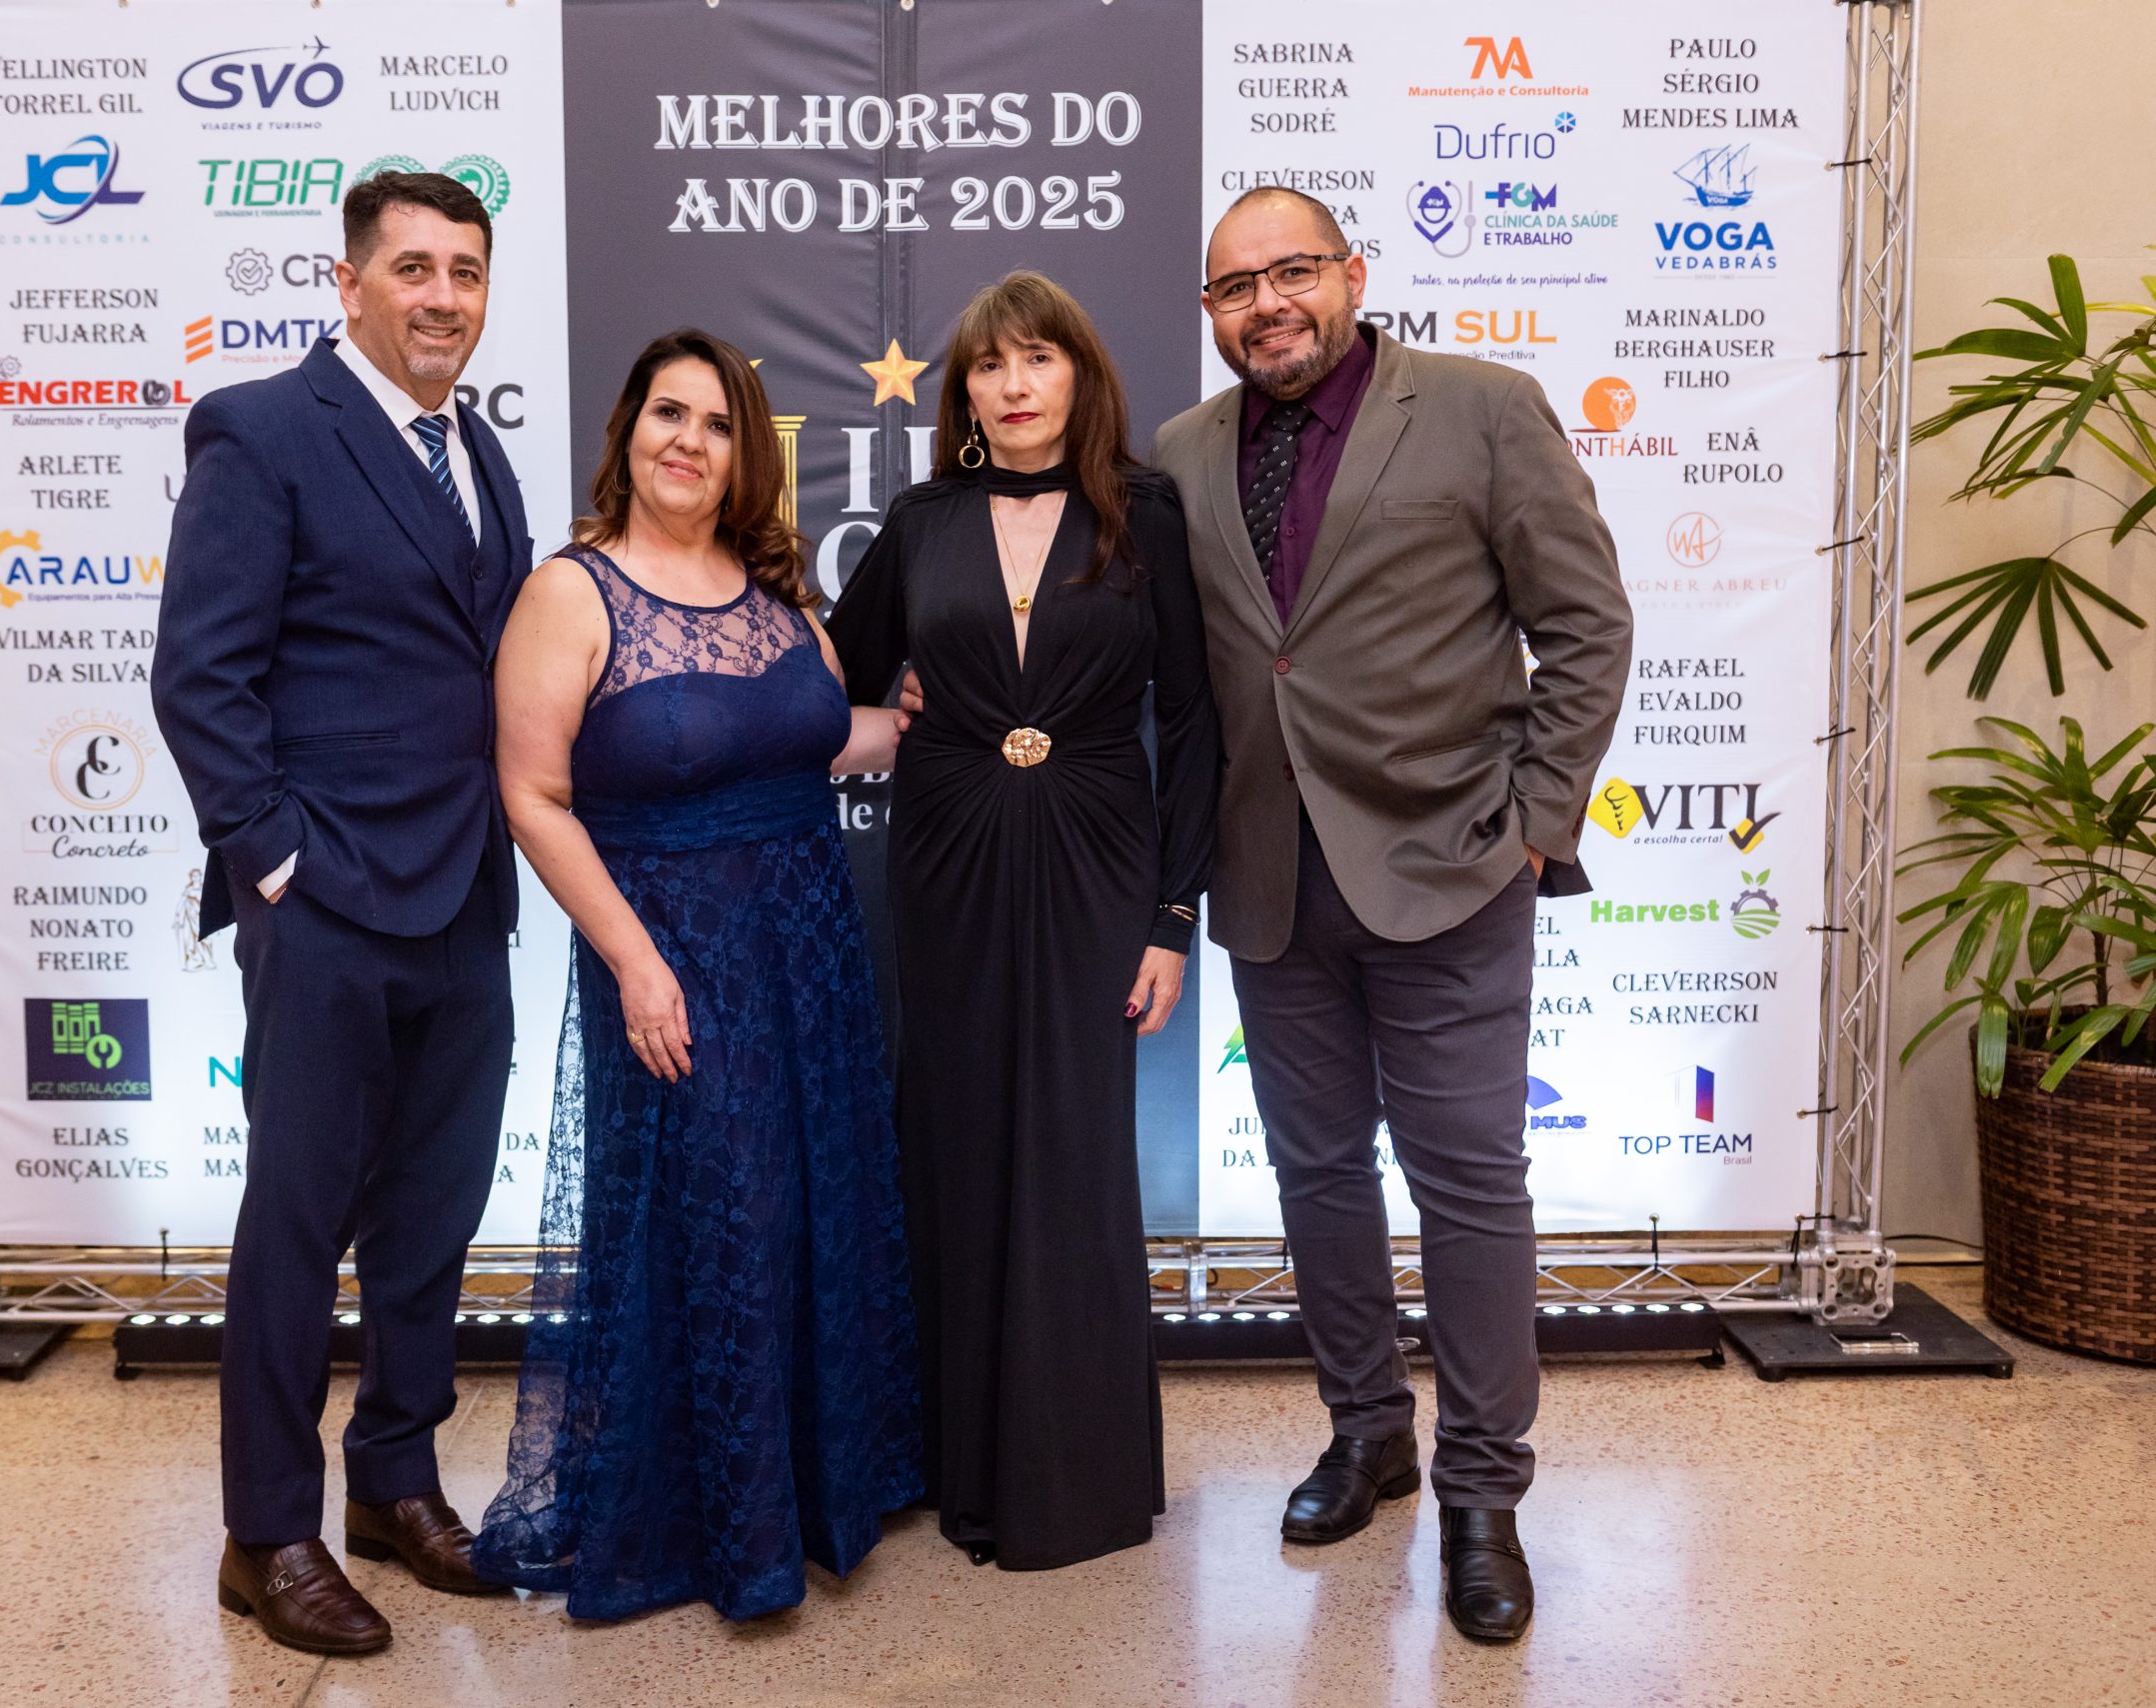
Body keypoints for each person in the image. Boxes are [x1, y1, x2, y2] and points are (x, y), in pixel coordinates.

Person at [1148, 188, 1632, 1643]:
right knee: (1315, 1176)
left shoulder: (1481, 408)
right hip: (1271, 880)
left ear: (1353, 275)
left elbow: (1587, 623)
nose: (1267, 303)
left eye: (1292, 270)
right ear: (1212, 311)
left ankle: (1484, 1492)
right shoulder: (1182, 452)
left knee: (1470, 1187)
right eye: (1235, 286)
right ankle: (1369, 1431)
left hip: (1452, 869)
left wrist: (1534, 824)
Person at [471, 329, 923, 1622]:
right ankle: (723, 1531)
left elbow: (813, 742)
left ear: (744, 457)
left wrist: (924, 725)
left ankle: (814, 1494)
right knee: (716, 1220)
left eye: (719, 425)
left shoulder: (773, 594)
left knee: (804, 1212)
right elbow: (533, 792)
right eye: (670, 413)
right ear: (629, 431)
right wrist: (635, 963)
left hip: (811, 959)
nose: (690, 441)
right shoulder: (573, 594)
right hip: (673, 961)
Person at [154, 171, 532, 1656]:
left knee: (434, 1213)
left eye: (466, 272)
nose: (444, 296)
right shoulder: (262, 428)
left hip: (467, 894)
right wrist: (273, 861)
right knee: (298, 1225)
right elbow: (202, 675)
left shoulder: (477, 449)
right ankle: (266, 1533)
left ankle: (394, 1484)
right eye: (415, 268)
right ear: (351, 282)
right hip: (326, 901)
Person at [826, 271, 1220, 1572]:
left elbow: (1195, 722)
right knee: (952, 1138)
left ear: (1079, 374)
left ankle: (1070, 1477)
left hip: (1100, 860)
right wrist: (879, 713)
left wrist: (1172, 913)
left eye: (1038, 358)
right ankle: (952, 1461)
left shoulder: (1143, 512)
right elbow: (834, 680)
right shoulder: (922, 519)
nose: (1013, 384)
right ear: (965, 394)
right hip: (946, 856)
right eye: (990, 365)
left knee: (1070, 1148)